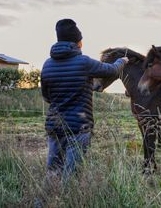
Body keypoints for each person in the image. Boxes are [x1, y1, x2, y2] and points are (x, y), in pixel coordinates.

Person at [40, 18, 128, 182]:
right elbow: (112, 71)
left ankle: (43, 203)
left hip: (54, 127)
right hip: (78, 129)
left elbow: (46, 97)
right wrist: (121, 61)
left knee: (52, 174)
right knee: (71, 178)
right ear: (78, 42)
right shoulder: (84, 62)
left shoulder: (47, 64)